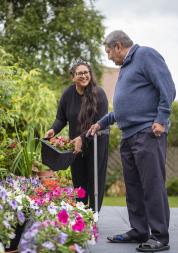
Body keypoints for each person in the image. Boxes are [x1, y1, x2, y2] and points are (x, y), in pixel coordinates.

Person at [87, 30, 176, 252]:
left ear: (118, 45)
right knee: (134, 187)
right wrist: (102, 123)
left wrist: (162, 118)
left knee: (152, 186)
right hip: (128, 135)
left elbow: (168, 88)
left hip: (148, 132)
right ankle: (139, 230)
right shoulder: (126, 68)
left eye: (108, 51)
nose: (108, 57)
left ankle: (160, 237)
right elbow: (122, 108)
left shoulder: (145, 55)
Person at [45, 60, 109, 212]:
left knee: (95, 181)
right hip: (76, 145)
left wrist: (82, 137)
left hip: (96, 143)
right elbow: (61, 118)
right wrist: (53, 130)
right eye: (80, 73)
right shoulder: (68, 94)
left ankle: (93, 215)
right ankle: (80, 213)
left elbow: (100, 123)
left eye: (86, 72)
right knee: (79, 180)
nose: (84, 76)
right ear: (73, 77)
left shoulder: (99, 94)